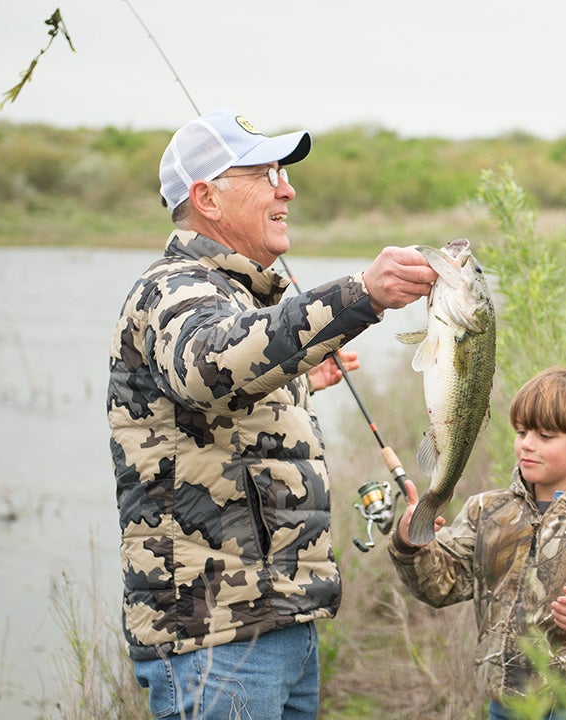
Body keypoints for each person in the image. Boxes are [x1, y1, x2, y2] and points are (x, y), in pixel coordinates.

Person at [107, 107, 438, 720]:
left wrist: (298, 382)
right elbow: (208, 365)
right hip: (215, 637)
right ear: (206, 197)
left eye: (284, 173)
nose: (287, 188)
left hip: (280, 621)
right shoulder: (173, 287)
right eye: (266, 174)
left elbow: (216, 402)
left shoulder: (236, 296)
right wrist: (360, 294)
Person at [389, 367, 566, 720]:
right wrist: (409, 541)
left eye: (545, 435)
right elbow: (441, 586)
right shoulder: (487, 511)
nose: (527, 444)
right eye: (522, 432)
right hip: (507, 704)